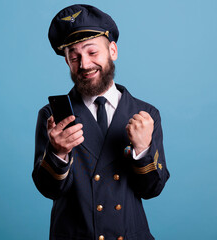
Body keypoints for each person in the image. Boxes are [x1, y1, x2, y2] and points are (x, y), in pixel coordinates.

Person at [32, 4, 170, 240]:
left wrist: (143, 150)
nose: (84, 65)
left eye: (92, 52)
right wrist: (57, 153)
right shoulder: (52, 116)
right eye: (74, 57)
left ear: (112, 51)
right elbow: (48, 189)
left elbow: (152, 190)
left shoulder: (145, 113)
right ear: (67, 62)